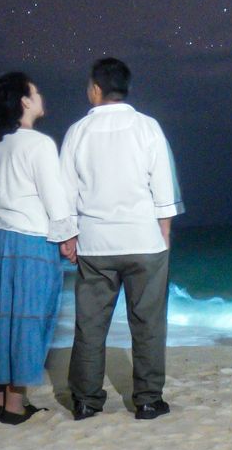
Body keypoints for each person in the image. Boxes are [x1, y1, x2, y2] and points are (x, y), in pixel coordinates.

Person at [59, 57, 185, 421]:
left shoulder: (78, 132)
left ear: (97, 89)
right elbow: (163, 185)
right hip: (143, 240)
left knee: (90, 324)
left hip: (96, 243)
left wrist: (67, 235)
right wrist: (164, 233)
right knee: (148, 324)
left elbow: (65, 190)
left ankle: (86, 401)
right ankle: (147, 400)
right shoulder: (147, 127)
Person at [0, 72, 77, 425]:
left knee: (0, 316)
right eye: (36, 92)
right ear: (25, 101)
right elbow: (52, 195)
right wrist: (68, 236)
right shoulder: (39, 144)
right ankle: (15, 405)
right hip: (30, 238)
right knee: (29, 316)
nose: (41, 97)